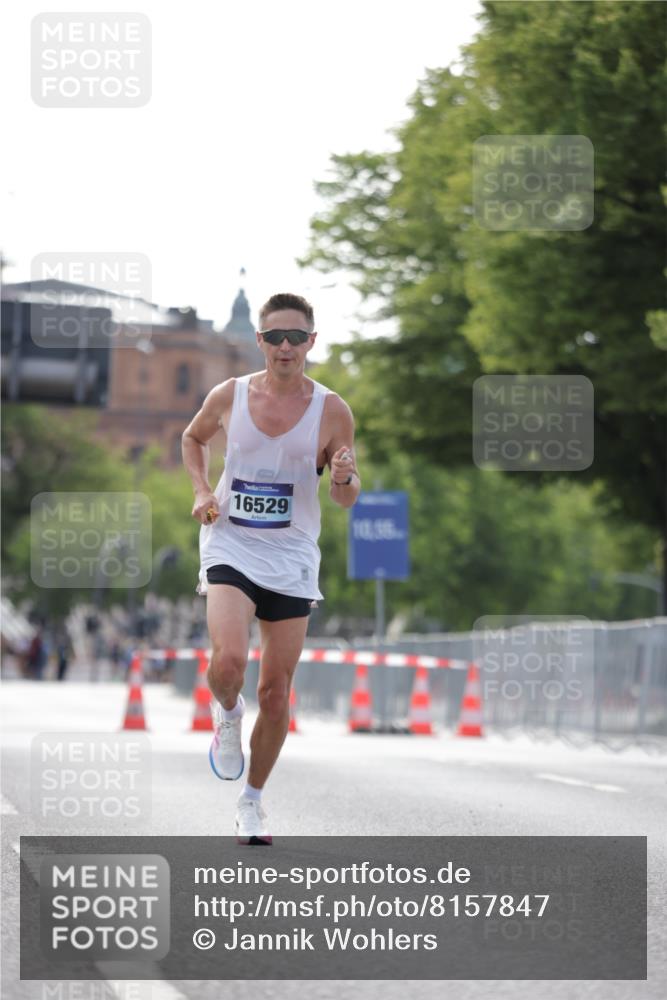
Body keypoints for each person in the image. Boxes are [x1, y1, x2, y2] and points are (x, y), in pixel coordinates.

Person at [182, 292, 360, 844]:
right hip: (231, 541)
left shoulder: (332, 410)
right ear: (260, 342)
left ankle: (252, 801)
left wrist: (342, 477)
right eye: (275, 337)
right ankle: (227, 714)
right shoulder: (229, 395)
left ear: (312, 340)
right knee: (231, 659)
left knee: (277, 692)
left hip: (293, 553)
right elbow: (192, 438)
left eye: (296, 337)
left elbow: (346, 498)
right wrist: (202, 489)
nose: (286, 347)